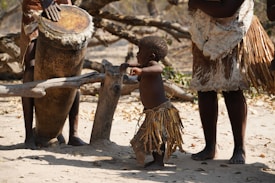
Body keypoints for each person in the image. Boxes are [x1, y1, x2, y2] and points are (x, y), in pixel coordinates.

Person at [188, 0, 274, 164]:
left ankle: (239, 148)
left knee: (232, 88)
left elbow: (226, 10)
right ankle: (210, 147)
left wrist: (196, 1)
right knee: (204, 88)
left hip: (234, 28)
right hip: (203, 29)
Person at [20, 0, 86, 148]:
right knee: (31, 70)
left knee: (72, 71)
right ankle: (29, 136)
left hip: (62, 7)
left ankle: (73, 134)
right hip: (36, 6)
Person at [120, 36, 184, 169]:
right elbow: (139, 66)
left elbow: (158, 69)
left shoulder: (153, 67)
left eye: (140, 51)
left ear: (151, 55)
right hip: (152, 112)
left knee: (158, 138)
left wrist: (141, 71)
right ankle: (153, 159)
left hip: (159, 111)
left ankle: (158, 162)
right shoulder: (145, 65)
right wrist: (129, 65)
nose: (137, 54)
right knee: (151, 138)